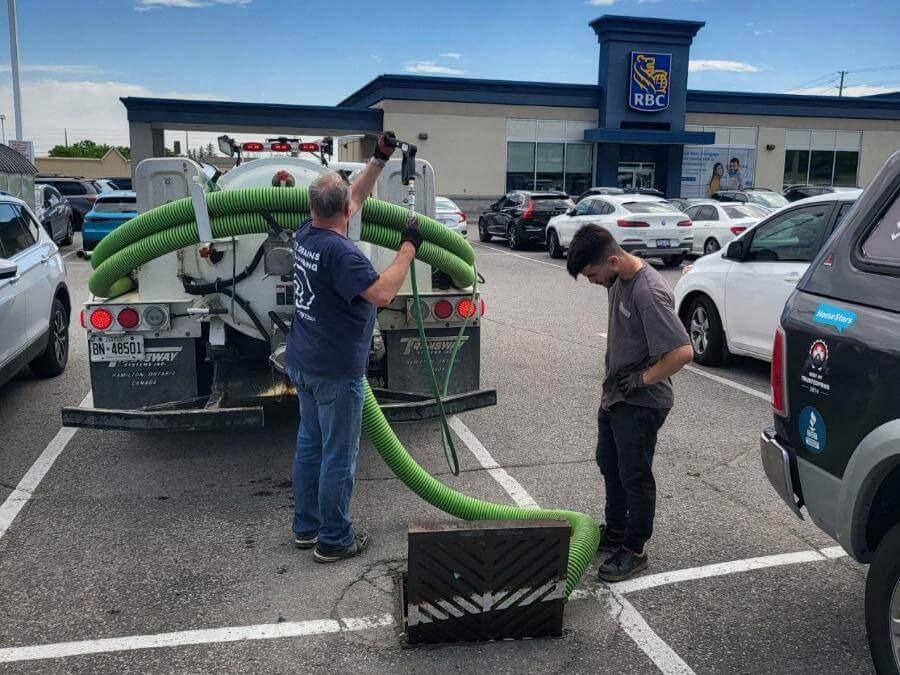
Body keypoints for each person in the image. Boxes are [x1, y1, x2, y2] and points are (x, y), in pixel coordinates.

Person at [285, 132, 424, 563]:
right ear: (343, 210)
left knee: (310, 445)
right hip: (335, 369)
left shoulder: (307, 233)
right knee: (338, 456)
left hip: (304, 361)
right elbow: (382, 294)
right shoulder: (344, 254)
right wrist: (408, 248)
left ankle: (306, 528)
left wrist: (378, 160)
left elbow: (354, 198)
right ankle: (334, 540)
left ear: (314, 207)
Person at [566, 225, 693, 582]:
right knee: (609, 462)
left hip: (642, 401)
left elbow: (683, 352)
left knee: (635, 475)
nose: (593, 282)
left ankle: (635, 549)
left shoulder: (647, 292)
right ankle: (616, 530)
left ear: (611, 260)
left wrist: (643, 378)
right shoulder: (617, 279)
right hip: (616, 395)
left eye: (592, 275)